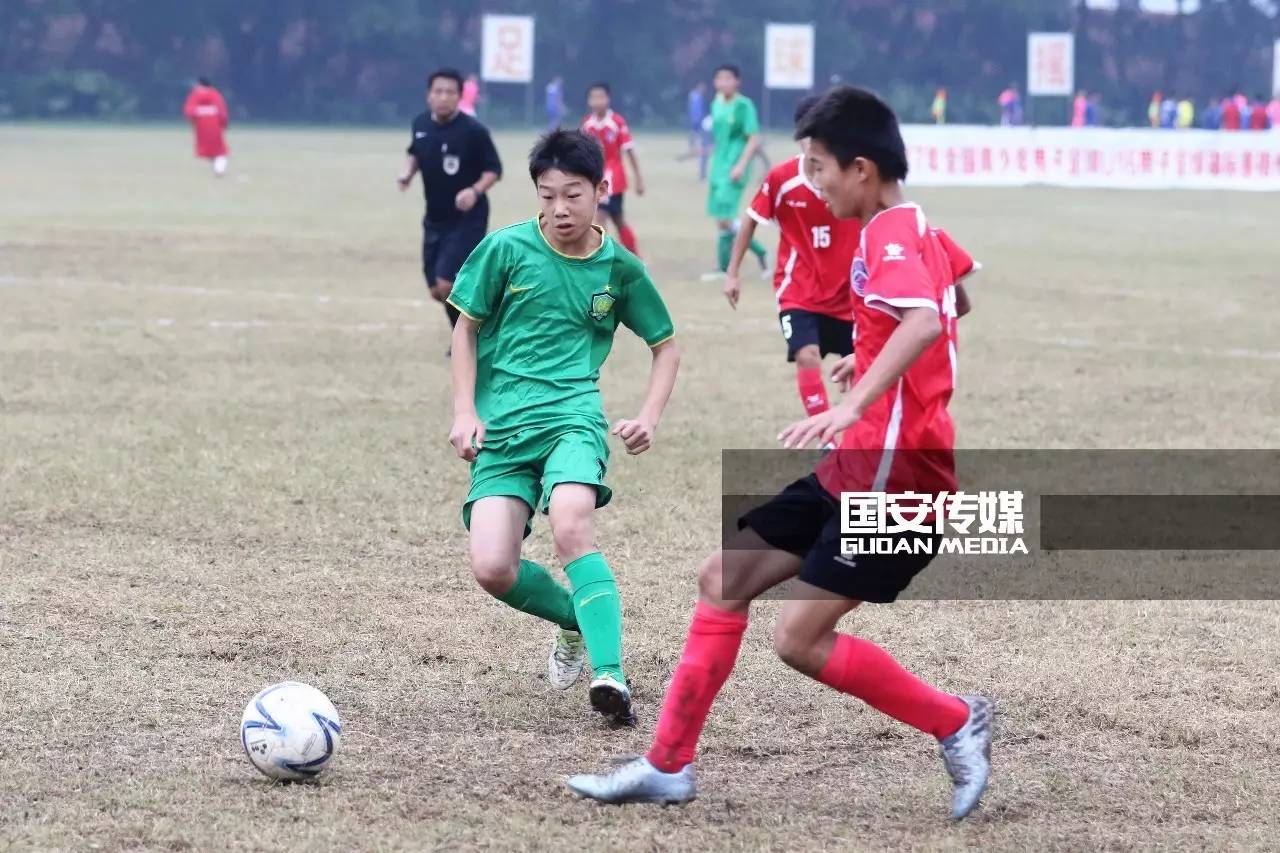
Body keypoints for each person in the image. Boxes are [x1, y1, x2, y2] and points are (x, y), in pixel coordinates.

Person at [566, 85, 992, 821]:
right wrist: (873, 360)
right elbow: (956, 297)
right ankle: (667, 765)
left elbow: (925, 316)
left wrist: (859, 399)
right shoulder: (916, 224)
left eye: (820, 167)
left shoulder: (888, 231)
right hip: (856, 466)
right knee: (722, 575)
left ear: (861, 168)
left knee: (800, 640)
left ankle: (957, 721)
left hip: (900, 481)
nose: (812, 181)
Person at [446, 129, 681, 727]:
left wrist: (647, 417)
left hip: (573, 419)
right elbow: (465, 328)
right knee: (493, 569)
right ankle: (577, 617)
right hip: (503, 428)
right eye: (547, 196)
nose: (559, 210)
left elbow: (666, 345)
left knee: (574, 523)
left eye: (572, 195)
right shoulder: (505, 250)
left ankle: (611, 676)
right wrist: (465, 412)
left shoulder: (619, 268)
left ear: (602, 190)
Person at [723, 94, 858, 425]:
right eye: (808, 136)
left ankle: (856, 438)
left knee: (859, 366)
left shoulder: (851, 177)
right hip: (799, 290)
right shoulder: (783, 179)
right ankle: (824, 433)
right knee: (807, 355)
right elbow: (751, 218)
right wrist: (732, 273)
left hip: (849, 294)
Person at [398, 68, 502, 346]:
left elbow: (494, 169)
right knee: (436, 288)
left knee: (446, 283)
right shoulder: (420, 124)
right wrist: (407, 173)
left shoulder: (474, 131)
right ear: (428, 95)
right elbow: (415, 152)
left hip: (468, 218)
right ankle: (469, 334)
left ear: (459, 97)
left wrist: (474, 190)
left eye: (450, 92)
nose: (443, 97)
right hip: (435, 217)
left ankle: (466, 340)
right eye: (438, 92)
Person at [707, 64, 767, 274]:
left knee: (725, 218)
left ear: (737, 81)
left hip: (734, 167)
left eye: (727, 78)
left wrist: (741, 165)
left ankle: (726, 267)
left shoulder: (744, 105)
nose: (723, 83)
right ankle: (758, 253)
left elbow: (753, 138)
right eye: (719, 78)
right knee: (721, 219)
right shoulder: (716, 103)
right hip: (718, 166)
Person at [581, 83, 644, 255]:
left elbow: (629, 150)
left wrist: (638, 178)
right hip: (594, 177)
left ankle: (600, 259)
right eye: (593, 98)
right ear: (588, 101)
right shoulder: (587, 124)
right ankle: (636, 258)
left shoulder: (617, 122)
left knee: (600, 218)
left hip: (612, 179)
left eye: (601, 97)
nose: (597, 101)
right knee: (618, 219)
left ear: (608, 99)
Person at [183, 78, 229, 176]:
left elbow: (189, 111)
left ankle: (218, 168)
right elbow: (222, 111)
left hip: (201, 126)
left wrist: (194, 119)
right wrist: (224, 124)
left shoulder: (195, 95)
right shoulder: (215, 94)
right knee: (219, 149)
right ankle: (219, 169)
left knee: (208, 150)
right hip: (214, 124)